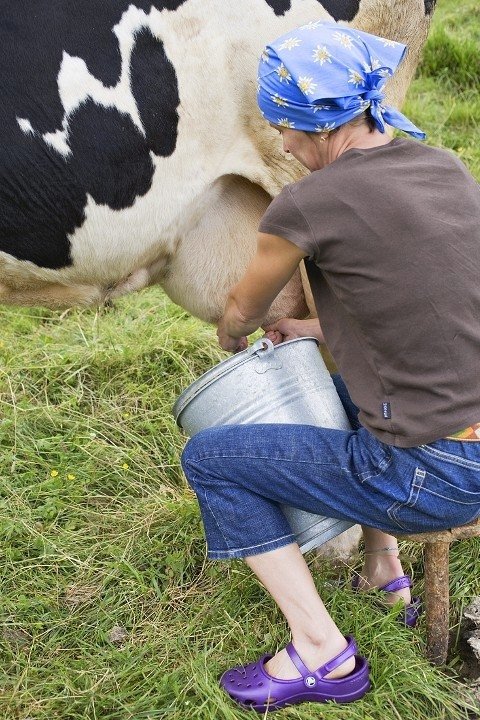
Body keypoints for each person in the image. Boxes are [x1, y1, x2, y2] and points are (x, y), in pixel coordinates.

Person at [180, 20, 480, 713]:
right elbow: (428, 299)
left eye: (285, 127)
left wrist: (232, 335)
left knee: (211, 459)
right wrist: (316, 326)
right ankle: (385, 572)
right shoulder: (442, 167)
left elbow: (241, 310)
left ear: (319, 128)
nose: (282, 144)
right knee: (346, 391)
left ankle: (320, 651)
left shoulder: (307, 204)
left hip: (436, 474)